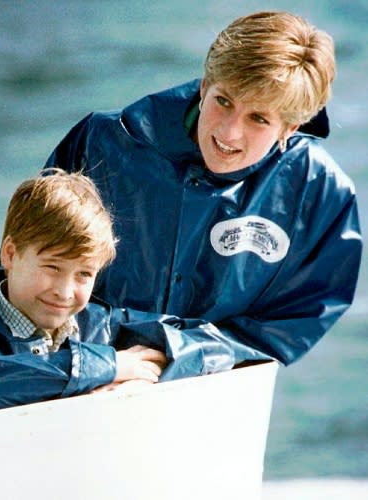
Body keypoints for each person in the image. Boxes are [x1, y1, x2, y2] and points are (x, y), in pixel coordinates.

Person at [44, 11, 362, 368]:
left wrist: (187, 352)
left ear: (290, 126)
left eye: (258, 118)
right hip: (84, 365)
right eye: (223, 101)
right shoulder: (102, 142)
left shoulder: (319, 192)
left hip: (213, 387)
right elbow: (38, 263)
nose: (228, 133)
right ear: (205, 85)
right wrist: (113, 359)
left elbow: (295, 319)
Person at [0, 169, 251, 418]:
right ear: (11, 254)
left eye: (84, 274)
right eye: (52, 268)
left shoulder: (101, 326)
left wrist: (143, 379)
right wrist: (106, 366)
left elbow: (216, 345)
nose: (64, 291)